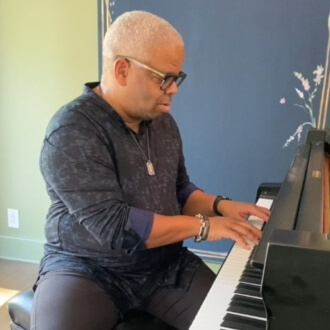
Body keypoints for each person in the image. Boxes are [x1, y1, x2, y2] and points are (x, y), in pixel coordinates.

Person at [31, 10, 270, 330]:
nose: (173, 89)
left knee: (236, 322)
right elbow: (116, 228)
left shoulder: (164, 123)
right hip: (86, 269)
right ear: (122, 69)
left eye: (177, 78)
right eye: (164, 78)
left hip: (163, 267)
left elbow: (180, 189)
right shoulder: (72, 131)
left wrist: (220, 206)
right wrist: (205, 227)